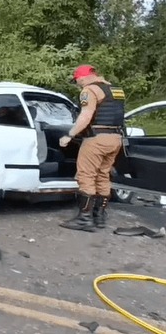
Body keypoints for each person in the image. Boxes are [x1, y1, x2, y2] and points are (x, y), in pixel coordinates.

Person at [58, 64, 125, 231]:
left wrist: (69, 135)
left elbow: (86, 116)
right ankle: (99, 217)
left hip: (96, 139)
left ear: (83, 77)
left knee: (86, 176)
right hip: (116, 138)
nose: (78, 83)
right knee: (103, 176)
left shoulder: (89, 91)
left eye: (77, 80)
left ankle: (84, 219)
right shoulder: (116, 90)